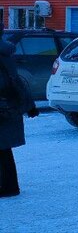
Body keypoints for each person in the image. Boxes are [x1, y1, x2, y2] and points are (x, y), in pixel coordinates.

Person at [0, 31, 39, 198]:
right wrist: (29, 105)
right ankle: (9, 186)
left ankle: (8, 187)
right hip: (8, 105)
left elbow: (7, 82)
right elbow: (16, 80)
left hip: (4, 107)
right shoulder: (5, 51)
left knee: (3, 148)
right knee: (3, 148)